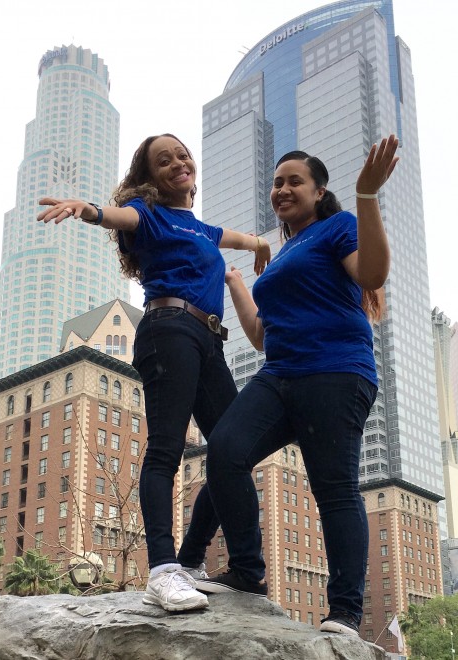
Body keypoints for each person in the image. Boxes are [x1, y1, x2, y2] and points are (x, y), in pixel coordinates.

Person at [36, 133, 271, 612]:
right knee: (167, 448)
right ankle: (164, 571)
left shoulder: (200, 229)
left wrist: (260, 245)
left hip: (209, 339)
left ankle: (215, 564)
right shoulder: (150, 216)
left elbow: (240, 239)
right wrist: (88, 210)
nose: (178, 163)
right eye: (164, 161)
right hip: (169, 330)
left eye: (182, 155)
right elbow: (118, 215)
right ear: (150, 179)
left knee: (233, 450)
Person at [195, 135, 399, 636]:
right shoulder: (286, 252)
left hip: (334, 370)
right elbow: (262, 336)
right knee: (224, 449)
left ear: (318, 190)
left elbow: (372, 272)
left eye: (294, 181)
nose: (282, 189)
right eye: (277, 183)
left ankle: (346, 611)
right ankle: (247, 570)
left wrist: (367, 197)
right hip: (279, 372)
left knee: (333, 489)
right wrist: (239, 285)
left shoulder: (337, 227)